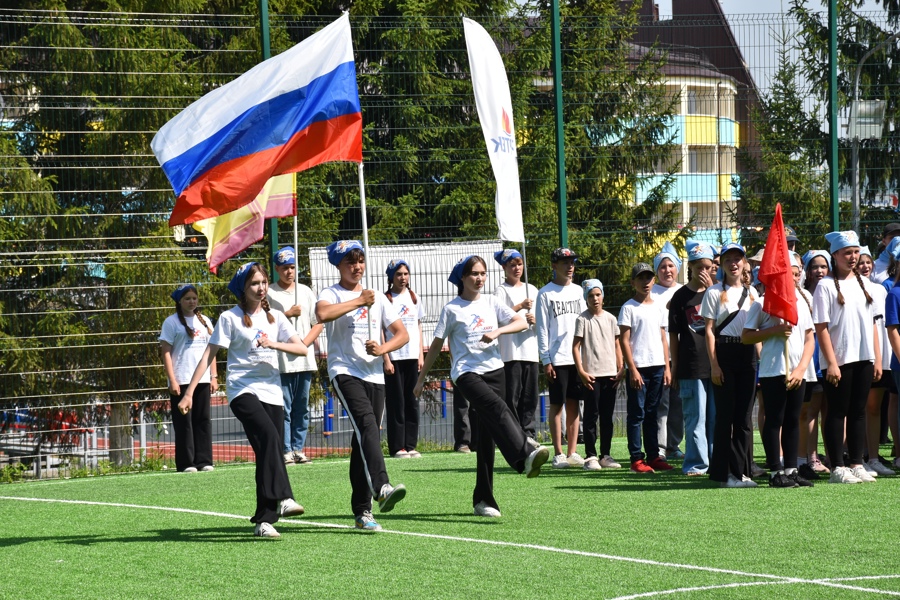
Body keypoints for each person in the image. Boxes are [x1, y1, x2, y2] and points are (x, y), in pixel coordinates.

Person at [413, 255, 550, 518]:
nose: (479, 278)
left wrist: (498, 332)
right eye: (474, 274)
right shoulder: (451, 309)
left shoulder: (492, 302)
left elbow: (523, 322)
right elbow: (434, 347)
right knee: (499, 408)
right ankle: (525, 454)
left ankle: (483, 500)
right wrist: (421, 379)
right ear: (462, 278)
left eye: (483, 273)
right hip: (467, 374)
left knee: (487, 440)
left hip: (495, 371)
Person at [180, 262, 308, 538]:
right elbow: (208, 355)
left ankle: (264, 521)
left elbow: (301, 348)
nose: (261, 288)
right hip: (242, 391)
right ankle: (284, 497)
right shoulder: (229, 318)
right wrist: (189, 392)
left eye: (263, 282)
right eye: (254, 283)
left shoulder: (277, 318)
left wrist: (274, 344)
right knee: (270, 438)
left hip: (272, 392)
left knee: (266, 452)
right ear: (243, 288)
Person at [315, 240, 409, 531]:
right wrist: (358, 301)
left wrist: (383, 350)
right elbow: (322, 315)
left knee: (362, 439)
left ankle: (362, 511)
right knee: (367, 426)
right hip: (344, 371)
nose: (356, 267)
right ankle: (382, 487)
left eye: (360, 261)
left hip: (374, 375)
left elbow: (402, 334)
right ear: (338, 266)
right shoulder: (331, 293)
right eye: (349, 262)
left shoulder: (378, 297)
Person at [741, 251, 816, 488]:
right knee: (775, 419)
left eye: (795, 274)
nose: (791, 279)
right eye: (786, 274)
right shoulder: (763, 304)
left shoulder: (800, 303)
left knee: (793, 419)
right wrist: (772, 331)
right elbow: (746, 337)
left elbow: (809, 338)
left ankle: (791, 468)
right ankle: (775, 471)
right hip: (774, 371)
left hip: (796, 372)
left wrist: (801, 369)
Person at [813, 231, 881, 484]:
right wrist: (831, 362)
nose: (852, 258)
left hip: (864, 358)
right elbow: (821, 326)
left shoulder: (865, 284)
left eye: (855, 252)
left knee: (858, 411)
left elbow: (873, 324)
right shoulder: (825, 286)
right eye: (847, 253)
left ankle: (856, 463)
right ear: (835, 256)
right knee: (837, 411)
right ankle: (837, 468)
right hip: (839, 360)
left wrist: (876, 358)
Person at [701, 242, 760, 488]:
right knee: (725, 417)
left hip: (748, 356)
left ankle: (742, 471)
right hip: (724, 354)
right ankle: (724, 473)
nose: (733, 263)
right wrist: (714, 365)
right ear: (721, 265)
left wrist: (762, 361)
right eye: (728, 260)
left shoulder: (754, 293)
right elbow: (709, 331)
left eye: (738, 259)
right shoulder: (714, 292)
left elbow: (756, 330)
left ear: (745, 263)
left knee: (744, 418)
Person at [265, 246, 323, 466]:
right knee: (285, 407)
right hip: (281, 361)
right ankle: (286, 449)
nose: (289, 272)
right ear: (277, 269)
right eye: (285, 268)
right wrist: (287, 314)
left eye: (292, 267)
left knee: (302, 407)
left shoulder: (306, 291)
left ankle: (299, 448)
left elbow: (317, 323)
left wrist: (304, 345)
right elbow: (265, 324)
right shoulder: (269, 293)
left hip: (304, 359)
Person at [668, 240, 717, 476]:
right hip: (690, 366)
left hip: (716, 365)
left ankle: (716, 461)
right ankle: (697, 464)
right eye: (698, 267)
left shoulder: (718, 293)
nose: (703, 271)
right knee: (695, 417)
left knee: (715, 418)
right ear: (691, 267)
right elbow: (673, 335)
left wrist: (712, 290)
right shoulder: (680, 297)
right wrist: (674, 366)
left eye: (707, 267)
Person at [619, 262, 672, 474]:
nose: (645, 282)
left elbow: (663, 338)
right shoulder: (628, 307)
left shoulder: (659, 306)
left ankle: (653, 456)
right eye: (641, 278)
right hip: (639, 369)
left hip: (657, 367)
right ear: (633, 282)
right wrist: (632, 369)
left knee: (652, 413)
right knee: (637, 414)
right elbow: (624, 340)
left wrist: (667, 367)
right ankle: (636, 459)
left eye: (649, 278)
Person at [536, 248, 587, 469]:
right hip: (557, 358)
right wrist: (546, 359)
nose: (570, 266)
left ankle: (572, 451)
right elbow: (542, 329)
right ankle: (558, 453)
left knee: (575, 405)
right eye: (564, 262)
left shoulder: (579, 291)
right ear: (554, 265)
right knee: (557, 405)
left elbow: (586, 323)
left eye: (572, 262)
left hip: (578, 358)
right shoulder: (545, 293)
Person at [159, 284, 217, 473]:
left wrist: (214, 376)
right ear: (179, 301)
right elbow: (166, 353)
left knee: (203, 419)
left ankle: (204, 460)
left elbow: (212, 351)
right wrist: (173, 380)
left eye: (194, 298)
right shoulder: (171, 322)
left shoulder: (205, 321)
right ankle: (186, 463)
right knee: (184, 423)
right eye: (187, 299)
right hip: (182, 379)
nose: (192, 301)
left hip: (202, 379)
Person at [573, 279, 624, 471]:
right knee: (591, 415)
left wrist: (621, 367)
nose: (595, 298)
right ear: (586, 299)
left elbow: (617, 344)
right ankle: (590, 456)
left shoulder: (611, 319)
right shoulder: (582, 320)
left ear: (603, 295)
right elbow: (575, 347)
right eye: (590, 295)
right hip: (591, 375)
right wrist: (581, 371)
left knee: (607, 415)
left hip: (610, 374)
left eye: (597, 294)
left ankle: (605, 455)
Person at [854, 247, 895, 476]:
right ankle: (854, 458)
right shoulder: (848, 289)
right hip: (858, 355)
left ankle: (873, 456)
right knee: (857, 408)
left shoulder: (879, 290)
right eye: (861, 262)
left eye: (868, 262)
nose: (865, 266)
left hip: (879, 356)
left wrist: (881, 358)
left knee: (874, 408)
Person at [493, 249, 540, 445]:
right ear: (504, 268)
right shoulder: (500, 291)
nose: (516, 268)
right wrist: (519, 307)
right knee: (512, 395)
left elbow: (540, 323)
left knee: (529, 395)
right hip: (510, 352)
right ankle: (513, 434)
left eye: (519, 264)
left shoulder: (533, 290)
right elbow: (497, 317)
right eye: (512, 265)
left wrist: (534, 320)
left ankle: (528, 432)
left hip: (530, 350)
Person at [382, 258, 425, 459]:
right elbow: (381, 330)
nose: (403, 278)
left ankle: (410, 444)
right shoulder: (386, 299)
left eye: (406, 274)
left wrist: (420, 354)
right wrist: (386, 359)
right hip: (394, 358)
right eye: (398, 274)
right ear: (391, 277)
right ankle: (397, 446)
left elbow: (418, 326)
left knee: (412, 401)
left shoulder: (414, 298)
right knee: (396, 402)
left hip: (411, 357)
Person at [797, 250, 831, 479]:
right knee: (810, 410)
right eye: (815, 267)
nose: (819, 271)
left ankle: (834, 454)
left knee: (830, 410)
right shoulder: (803, 296)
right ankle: (810, 456)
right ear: (807, 272)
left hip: (832, 359)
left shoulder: (832, 290)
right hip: (811, 360)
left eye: (823, 267)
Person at [651, 241, 684, 460]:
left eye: (671, 266)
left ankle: (674, 444)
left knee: (678, 404)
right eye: (662, 267)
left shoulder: (683, 291)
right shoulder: (650, 292)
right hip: (658, 356)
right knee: (660, 404)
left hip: (681, 356)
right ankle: (660, 445)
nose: (667, 271)